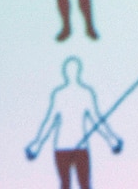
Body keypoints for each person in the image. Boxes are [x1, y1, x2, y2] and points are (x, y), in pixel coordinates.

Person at [24, 56, 123, 189]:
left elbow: (97, 120)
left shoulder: (85, 93)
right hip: (64, 148)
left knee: (83, 184)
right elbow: (49, 122)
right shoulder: (60, 95)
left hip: (78, 148)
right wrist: (36, 145)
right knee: (68, 185)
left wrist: (112, 140)